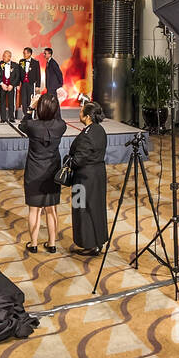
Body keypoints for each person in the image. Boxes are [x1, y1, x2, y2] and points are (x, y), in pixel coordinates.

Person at [20, 90, 65, 254]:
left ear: (39, 109)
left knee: (34, 210)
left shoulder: (32, 126)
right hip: (52, 172)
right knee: (52, 209)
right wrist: (55, 103)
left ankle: (33, 244)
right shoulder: (61, 126)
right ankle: (52, 244)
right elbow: (58, 118)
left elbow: (22, 124)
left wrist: (31, 108)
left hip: (34, 173)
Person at [63, 103, 110, 256]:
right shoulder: (99, 130)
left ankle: (89, 244)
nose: (79, 113)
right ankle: (98, 240)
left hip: (83, 178)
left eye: (81, 111)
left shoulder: (87, 135)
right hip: (97, 175)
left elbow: (78, 160)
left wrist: (67, 160)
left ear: (88, 116)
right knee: (97, 208)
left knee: (81, 210)